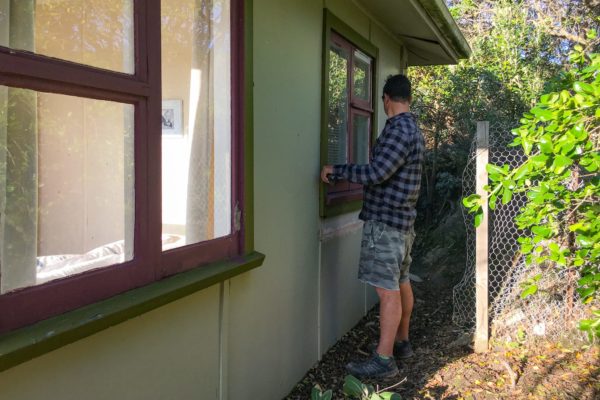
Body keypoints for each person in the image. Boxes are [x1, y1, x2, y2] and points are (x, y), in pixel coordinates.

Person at [320, 74, 424, 379]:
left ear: (386, 100)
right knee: (401, 281)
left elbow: (378, 172)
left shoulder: (398, 130)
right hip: (403, 224)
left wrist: (337, 170)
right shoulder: (414, 129)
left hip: (387, 225)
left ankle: (383, 359)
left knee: (387, 291)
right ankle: (401, 342)